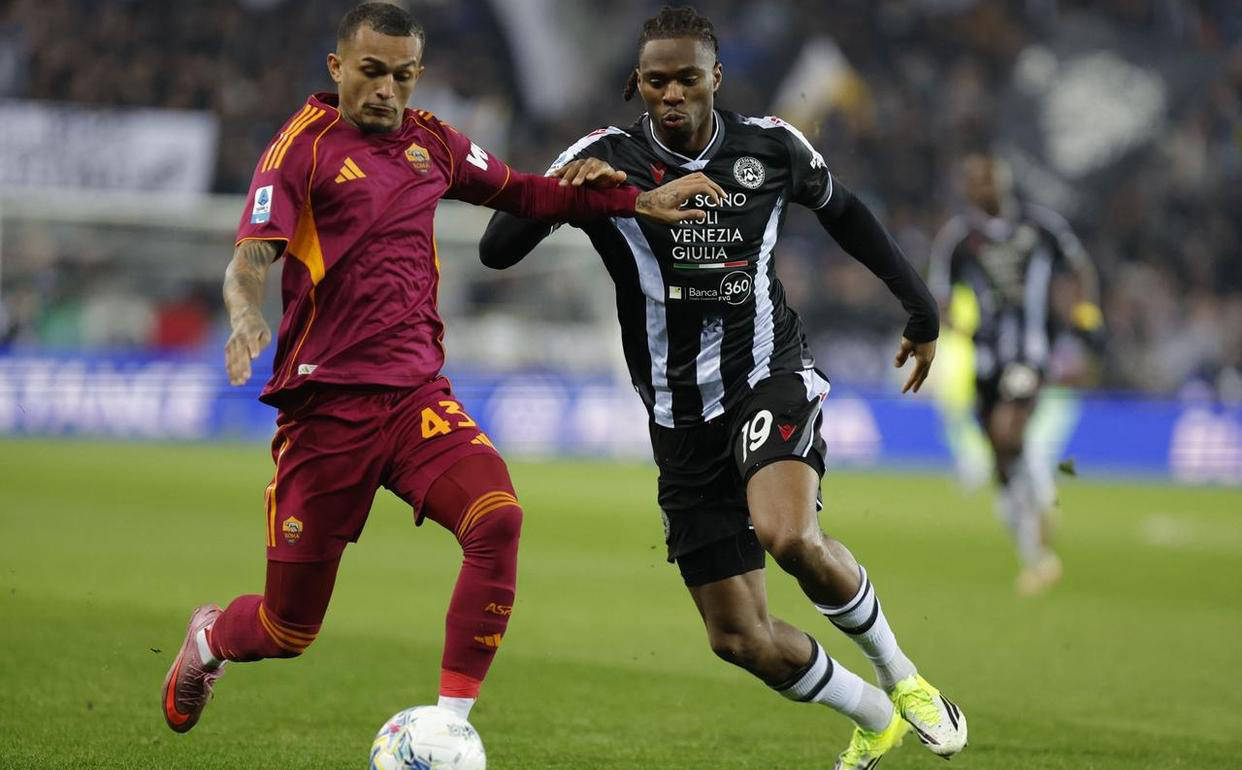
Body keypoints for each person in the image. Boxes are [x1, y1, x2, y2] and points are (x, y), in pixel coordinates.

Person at [161, 2, 722, 735]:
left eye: (402, 76)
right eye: (371, 72)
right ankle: (209, 639)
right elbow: (250, 258)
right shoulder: (300, 149)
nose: (386, 90)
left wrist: (635, 199)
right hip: (326, 412)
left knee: (498, 519)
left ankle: (450, 726)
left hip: (414, 400)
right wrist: (244, 315)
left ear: (417, 74)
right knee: (286, 629)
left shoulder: (433, 143)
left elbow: (527, 193)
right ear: (337, 68)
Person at [479, 7, 967, 768]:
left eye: (687, 78)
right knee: (739, 638)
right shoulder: (604, 157)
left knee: (787, 534)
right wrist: (574, 195)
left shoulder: (770, 147)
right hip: (678, 416)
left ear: (716, 77)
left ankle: (905, 680)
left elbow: (846, 214)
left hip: (767, 374)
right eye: (656, 81)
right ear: (636, 83)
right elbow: (496, 249)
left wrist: (920, 307)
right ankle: (876, 717)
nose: (672, 94)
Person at [928, 152, 1102, 595]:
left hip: (1031, 353)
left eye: (988, 180)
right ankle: (1035, 551)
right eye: (974, 182)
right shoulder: (959, 239)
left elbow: (1079, 268)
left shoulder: (1040, 227)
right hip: (986, 360)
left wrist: (1084, 315)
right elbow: (940, 295)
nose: (981, 189)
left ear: (1003, 183)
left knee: (1008, 433)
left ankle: (1040, 504)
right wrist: (956, 326)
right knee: (1001, 458)